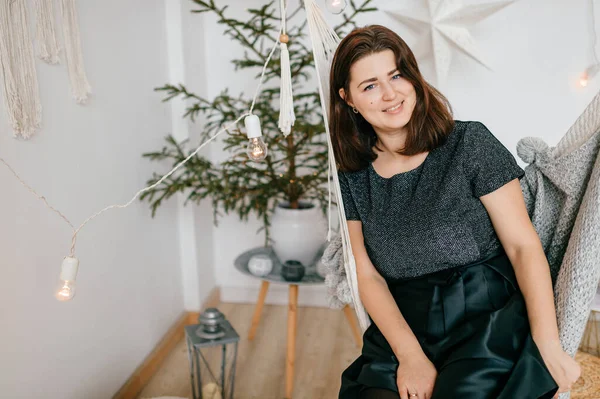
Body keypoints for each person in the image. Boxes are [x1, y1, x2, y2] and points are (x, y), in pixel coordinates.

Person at [329, 25, 581, 399]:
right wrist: (411, 357)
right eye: (370, 85)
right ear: (347, 98)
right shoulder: (352, 173)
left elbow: (522, 248)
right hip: (406, 323)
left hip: (485, 315)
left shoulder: (468, 143)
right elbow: (366, 275)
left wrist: (547, 344)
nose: (390, 94)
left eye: (396, 76)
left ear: (413, 78)